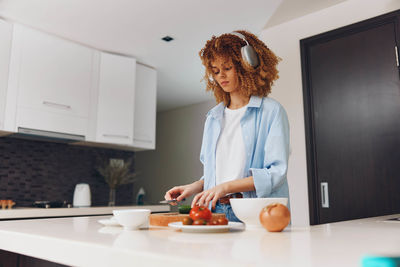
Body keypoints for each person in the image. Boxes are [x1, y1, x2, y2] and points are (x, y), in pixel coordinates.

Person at [164, 30, 290, 222]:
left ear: (246, 65)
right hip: (215, 210)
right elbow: (219, 173)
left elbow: (275, 173)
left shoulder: (271, 111)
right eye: (215, 71)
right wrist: (194, 187)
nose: (221, 76)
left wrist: (226, 187)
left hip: (255, 211)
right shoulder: (213, 118)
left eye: (227, 67)